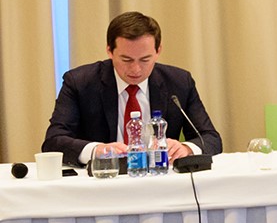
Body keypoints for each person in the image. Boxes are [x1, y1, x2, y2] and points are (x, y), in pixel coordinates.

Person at [43, 11, 223, 167]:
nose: (136, 69)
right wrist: (96, 150)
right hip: (102, 180)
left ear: (158, 51)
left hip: (160, 179)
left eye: (145, 60)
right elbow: (53, 141)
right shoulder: (80, 82)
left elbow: (211, 138)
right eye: (126, 60)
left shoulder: (179, 82)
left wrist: (186, 148)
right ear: (109, 51)